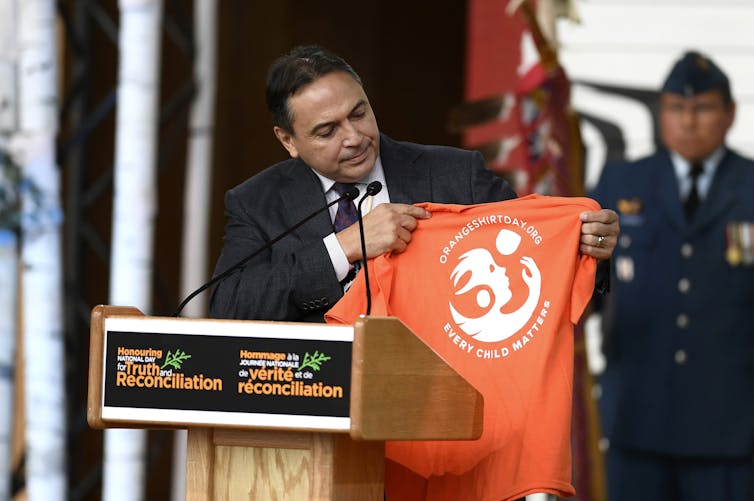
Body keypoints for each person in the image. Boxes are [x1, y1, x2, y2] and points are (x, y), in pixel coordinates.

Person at [208, 44, 618, 325]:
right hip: (319, 421)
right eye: (327, 130)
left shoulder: (456, 176)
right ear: (288, 140)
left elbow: (534, 257)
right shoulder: (257, 203)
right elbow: (229, 308)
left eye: (359, 113)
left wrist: (587, 249)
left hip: (446, 414)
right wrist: (345, 246)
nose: (353, 137)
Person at [591, 50, 754, 501]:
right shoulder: (621, 183)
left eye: (701, 108)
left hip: (732, 426)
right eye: (676, 109)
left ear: (729, 113)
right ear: (660, 113)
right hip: (637, 417)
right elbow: (588, 289)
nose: (688, 121)